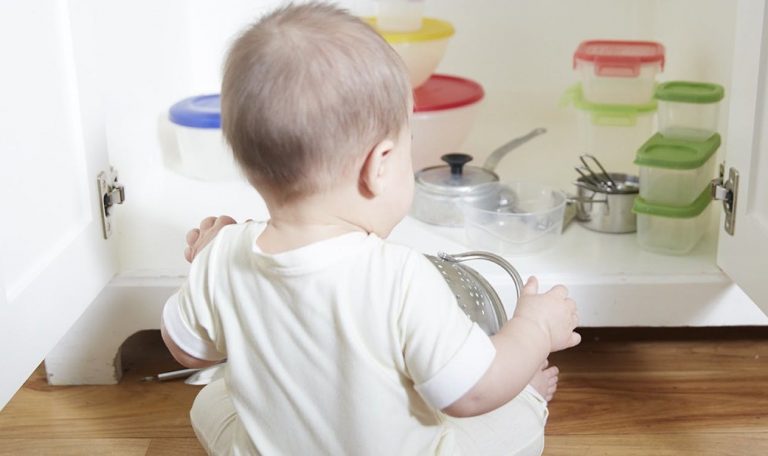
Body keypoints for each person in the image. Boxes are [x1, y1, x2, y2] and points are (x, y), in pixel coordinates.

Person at [160, 3, 580, 455]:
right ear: (378, 166)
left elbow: (189, 352)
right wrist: (534, 329)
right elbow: (474, 391)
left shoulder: (225, 254)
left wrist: (206, 262)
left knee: (211, 399)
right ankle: (531, 399)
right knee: (509, 409)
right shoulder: (401, 277)